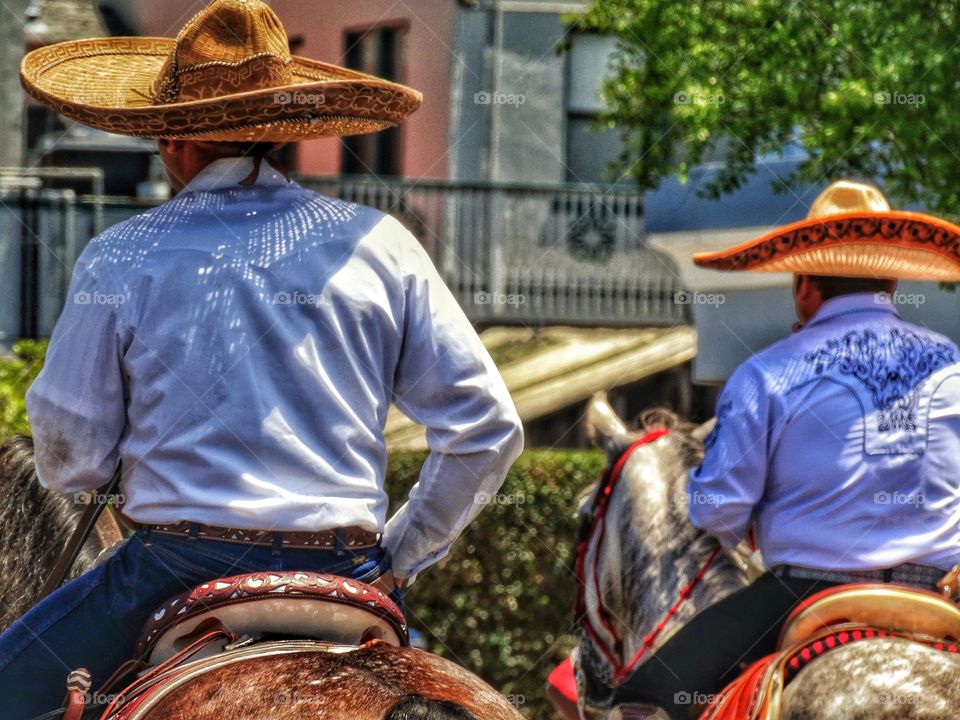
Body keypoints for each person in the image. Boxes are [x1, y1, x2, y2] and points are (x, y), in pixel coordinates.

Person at [2, 0, 523, 715]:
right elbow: (487, 429)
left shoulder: (121, 255)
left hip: (175, 566)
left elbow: (70, 455)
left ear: (173, 140)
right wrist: (399, 556)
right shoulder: (383, 243)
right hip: (349, 570)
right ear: (282, 136)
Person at [614, 180, 960, 718]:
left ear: (803, 286)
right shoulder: (952, 366)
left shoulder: (768, 374)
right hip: (943, 597)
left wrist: (745, 518)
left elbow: (719, 509)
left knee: (651, 696)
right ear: (892, 281)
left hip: (809, 596)